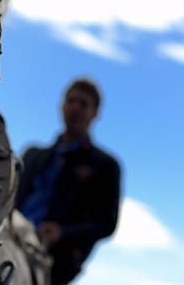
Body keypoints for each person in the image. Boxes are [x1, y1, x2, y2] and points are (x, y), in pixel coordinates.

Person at [16, 78, 121, 284]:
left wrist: (63, 233)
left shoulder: (104, 165)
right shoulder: (32, 155)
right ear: (62, 106)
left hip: (52, 262)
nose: (75, 108)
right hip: (7, 237)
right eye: (71, 101)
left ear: (95, 114)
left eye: (83, 104)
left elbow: (106, 222)